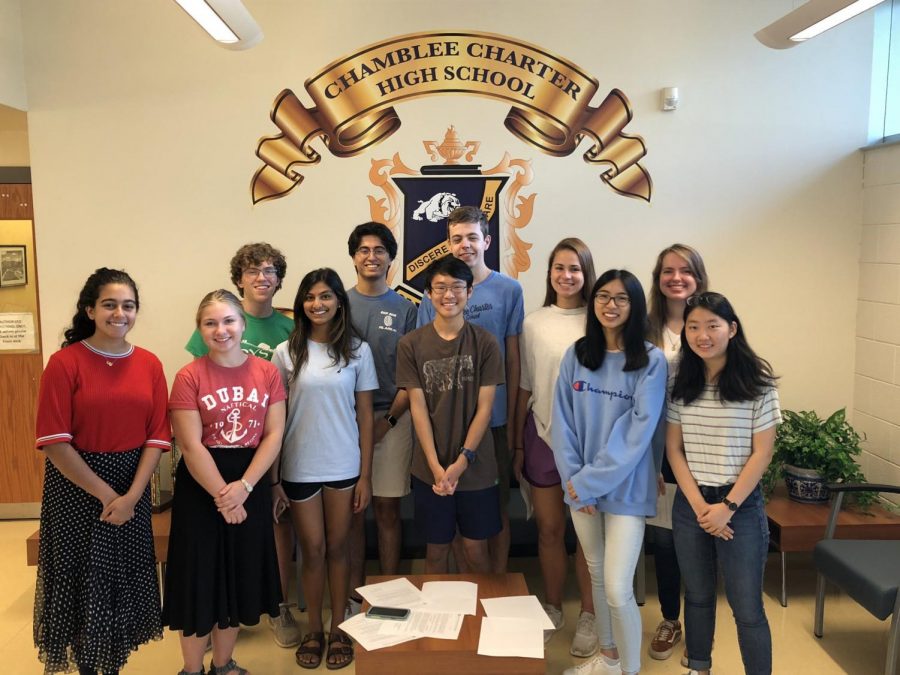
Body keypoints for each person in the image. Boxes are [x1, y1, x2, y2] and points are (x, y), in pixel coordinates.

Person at [34, 267, 171, 675]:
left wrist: (131, 496)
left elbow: (157, 437)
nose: (119, 313)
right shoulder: (64, 364)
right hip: (79, 489)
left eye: (128, 306)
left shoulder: (149, 363)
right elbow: (56, 442)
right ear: (90, 309)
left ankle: (111, 667)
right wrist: (108, 496)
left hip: (133, 484)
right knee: (83, 588)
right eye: (109, 305)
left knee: (120, 589)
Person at [163, 289, 286, 675]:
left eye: (229, 321)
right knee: (201, 577)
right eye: (210, 323)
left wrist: (245, 489)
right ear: (200, 330)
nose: (221, 330)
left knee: (237, 575)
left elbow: (273, 434)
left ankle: (223, 663)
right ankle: (191, 669)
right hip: (202, 486)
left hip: (250, 478)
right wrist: (224, 495)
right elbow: (189, 444)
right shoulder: (188, 376)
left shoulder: (267, 372)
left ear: (243, 325)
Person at [184, 242, 300, 648]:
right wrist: (226, 492)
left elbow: (281, 416)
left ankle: (276, 605)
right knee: (217, 540)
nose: (261, 278)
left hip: (268, 446)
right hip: (217, 455)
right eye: (252, 271)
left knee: (276, 525)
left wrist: (267, 479)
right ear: (239, 279)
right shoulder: (218, 320)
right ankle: (223, 616)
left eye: (269, 271)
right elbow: (196, 390)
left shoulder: (290, 329)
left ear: (279, 279)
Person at [552, 270, 667, 675]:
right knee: (597, 574)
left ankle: (630, 671)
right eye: (603, 296)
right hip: (579, 486)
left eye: (621, 298)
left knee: (619, 588)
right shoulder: (578, 354)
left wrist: (585, 483)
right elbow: (561, 423)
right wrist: (575, 481)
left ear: (635, 306)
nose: (610, 305)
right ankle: (609, 657)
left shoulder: (651, 361)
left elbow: (637, 433)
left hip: (625, 488)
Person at [666, 292, 780, 675]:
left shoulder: (758, 383)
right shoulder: (681, 379)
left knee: (747, 607)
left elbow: (761, 454)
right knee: (697, 597)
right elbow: (673, 449)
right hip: (692, 506)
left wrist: (726, 507)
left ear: (731, 329)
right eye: (693, 326)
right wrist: (701, 508)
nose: (702, 335)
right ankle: (699, 668)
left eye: (712, 326)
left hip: (740, 506)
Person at [271, 268, 377, 671]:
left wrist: (366, 474)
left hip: (344, 465)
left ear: (339, 302)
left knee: (338, 548)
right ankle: (313, 627)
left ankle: (338, 629)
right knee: (311, 550)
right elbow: (275, 420)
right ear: (301, 303)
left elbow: (365, 416)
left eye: (326, 296)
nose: (318, 303)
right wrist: (275, 479)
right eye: (311, 297)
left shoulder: (357, 350)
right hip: (299, 466)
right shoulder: (286, 352)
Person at [416, 205, 524, 573]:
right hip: (443, 422)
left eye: (472, 237)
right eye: (457, 238)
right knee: (452, 520)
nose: (465, 245)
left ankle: (497, 584)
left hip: (492, 420)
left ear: (487, 241)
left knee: (493, 514)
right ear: (448, 243)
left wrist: (510, 420)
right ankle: (461, 595)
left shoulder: (509, 290)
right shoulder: (433, 295)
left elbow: (513, 358)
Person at [513, 238, 600, 655]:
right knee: (549, 530)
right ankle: (552, 605)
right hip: (542, 435)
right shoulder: (533, 322)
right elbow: (525, 385)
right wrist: (516, 443)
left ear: (587, 273)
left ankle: (588, 612)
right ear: (549, 274)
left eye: (575, 269)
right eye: (559, 268)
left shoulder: (602, 321)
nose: (566, 276)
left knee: (586, 533)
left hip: (588, 441)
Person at [398, 256, 505, 574]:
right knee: (436, 552)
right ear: (428, 294)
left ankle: (477, 619)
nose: (449, 295)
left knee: (475, 551)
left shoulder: (485, 343)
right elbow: (417, 408)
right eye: (440, 287)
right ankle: (440, 624)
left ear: (470, 292)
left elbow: (485, 409)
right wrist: (435, 466)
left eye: (457, 287)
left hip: (476, 466)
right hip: (429, 468)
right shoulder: (411, 344)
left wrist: (462, 462)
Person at [345, 222, 417, 614]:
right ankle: (355, 593)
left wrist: (386, 422)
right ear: (354, 256)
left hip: (392, 419)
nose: (371, 256)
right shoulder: (337, 304)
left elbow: (411, 379)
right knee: (354, 513)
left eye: (379, 250)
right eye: (363, 250)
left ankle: (389, 591)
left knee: (388, 509)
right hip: (344, 425)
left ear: (391, 258)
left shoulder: (407, 309)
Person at [645, 244, 709, 663]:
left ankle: (702, 627)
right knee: (666, 540)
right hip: (657, 447)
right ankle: (671, 618)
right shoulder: (645, 328)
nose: (676, 278)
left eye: (685, 271)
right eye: (668, 271)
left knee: (700, 538)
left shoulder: (709, 322)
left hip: (704, 447)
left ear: (698, 278)